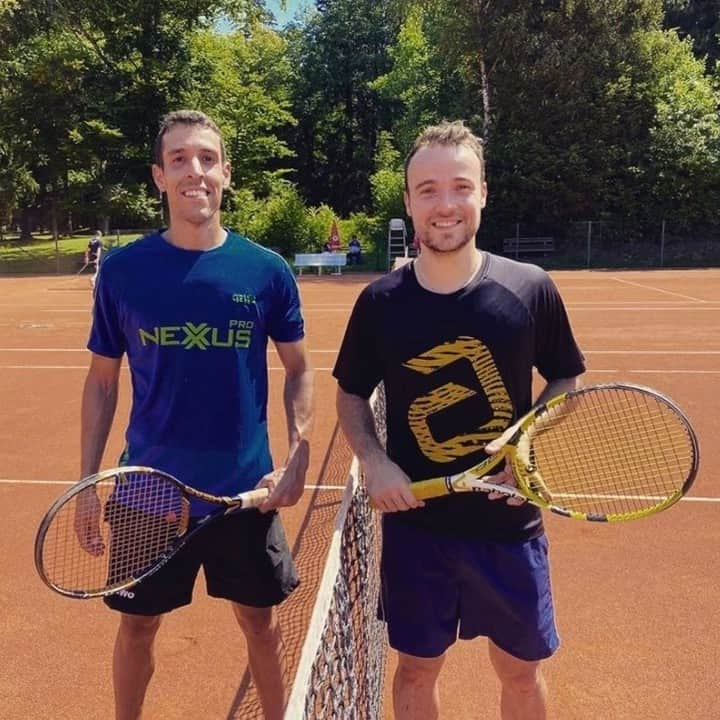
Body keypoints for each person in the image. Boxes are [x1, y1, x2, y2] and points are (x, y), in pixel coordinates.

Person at [333, 120, 585, 720]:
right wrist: (375, 460)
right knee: (416, 670)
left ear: (482, 193)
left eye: (460, 187)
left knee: (520, 674)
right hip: (417, 530)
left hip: (510, 523)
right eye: (428, 190)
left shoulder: (530, 290)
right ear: (409, 201)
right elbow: (349, 395)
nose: (445, 205)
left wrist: (525, 447)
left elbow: (566, 381)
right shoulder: (380, 304)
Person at [81, 109, 313, 720]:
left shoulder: (266, 271)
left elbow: (299, 370)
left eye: (207, 159)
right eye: (180, 159)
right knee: (136, 629)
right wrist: (87, 484)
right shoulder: (123, 272)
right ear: (159, 176)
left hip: (245, 493)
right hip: (147, 493)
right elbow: (102, 384)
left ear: (226, 174)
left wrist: (298, 455)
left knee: (260, 626)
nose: (195, 171)